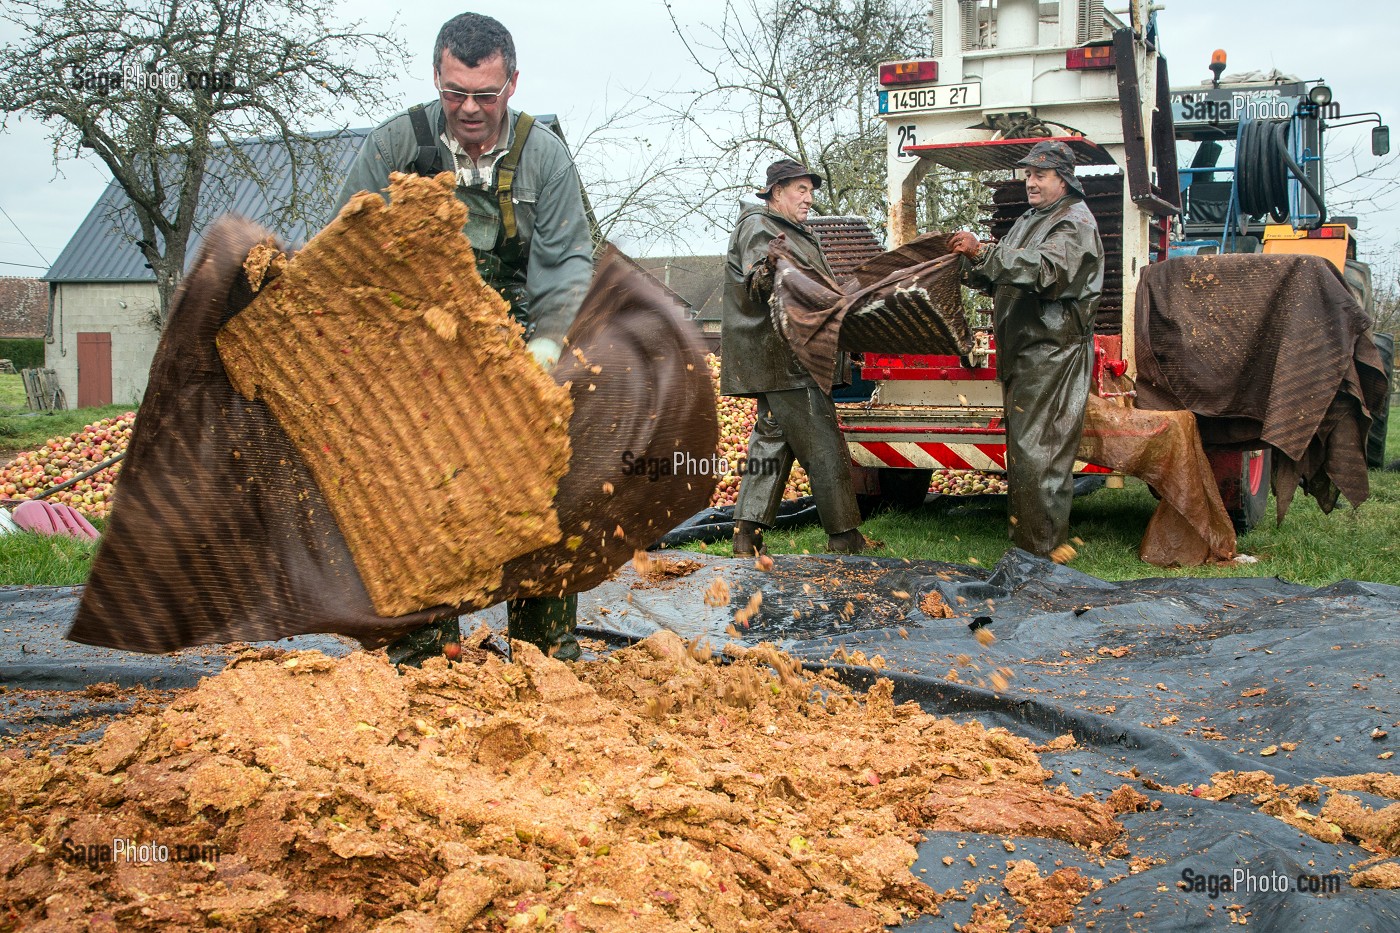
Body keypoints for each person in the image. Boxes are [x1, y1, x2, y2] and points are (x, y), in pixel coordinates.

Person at [334, 12, 594, 665]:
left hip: (519, 347)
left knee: (541, 488)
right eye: (455, 93)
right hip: (420, 354)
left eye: (486, 94)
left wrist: (545, 348)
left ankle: (544, 653)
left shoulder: (545, 155)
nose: (470, 109)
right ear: (436, 79)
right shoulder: (396, 148)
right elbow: (345, 249)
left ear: (512, 83)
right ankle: (426, 656)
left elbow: (565, 263)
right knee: (418, 499)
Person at [947, 140, 1104, 557]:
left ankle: (1041, 555)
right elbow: (1003, 271)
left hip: (1052, 354)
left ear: (1064, 180)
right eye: (1028, 174)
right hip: (1028, 354)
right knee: (1026, 453)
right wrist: (967, 262)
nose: (1030, 182)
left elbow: (1045, 270)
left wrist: (984, 252)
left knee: (1041, 456)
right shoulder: (1033, 218)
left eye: (1040, 174)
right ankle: (1030, 547)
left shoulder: (1074, 223)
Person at [721, 158, 874, 557]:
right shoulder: (760, 227)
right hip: (788, 356)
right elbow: (759, 284)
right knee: (822, 443)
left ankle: (746, 535)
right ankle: (845, 536)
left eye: (811, 191)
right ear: (776, 192)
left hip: (783, 354)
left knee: (771, 440)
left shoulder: (790, 230)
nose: (809, 199)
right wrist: (769, 266)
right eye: (800, 190)